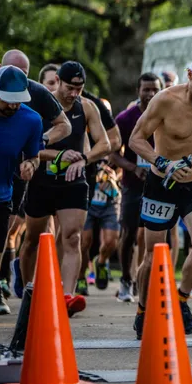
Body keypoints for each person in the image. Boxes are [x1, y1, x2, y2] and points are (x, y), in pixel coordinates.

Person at [129, 53, 192, 339]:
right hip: (161, 184)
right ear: (189, 75)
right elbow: (135, 140)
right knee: (154, 256)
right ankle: (142, 309)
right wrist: (162, 162)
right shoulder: (164, 100)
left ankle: (181, 301)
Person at [20, 61, 110, 317]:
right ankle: (30, 291)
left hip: (73, 182)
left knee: (72, 237)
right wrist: (57, 157)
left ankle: (67, 296)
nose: (74, 93)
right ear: (57, 81)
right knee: (32, 240)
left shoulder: (88, 107)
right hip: (41, 180)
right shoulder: (40, 103)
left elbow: (105, 143)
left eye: (79, 88)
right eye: (70, 87)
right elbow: (29, 146)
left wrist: (85, 158)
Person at [0, 51, 70, 299]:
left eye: (24, 75)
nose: (14, 103)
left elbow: (64, 126)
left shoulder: (35, 102)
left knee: (8, 227)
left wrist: (36, 147)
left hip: (14, 175)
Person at [0, 66, 42, 315]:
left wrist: (30, 165)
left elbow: (35, 156)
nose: (13, 106)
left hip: (2, 192)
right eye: (8, 101)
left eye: (18, 101)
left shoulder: (31, 120)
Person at [110, 73, 162, 302]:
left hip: (161, 184)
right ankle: (125, 280)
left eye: (155, 90)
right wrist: (132, 167)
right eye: (146, 90)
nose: (150, 94)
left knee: (159, 235)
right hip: (133, 184)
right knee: (129, 233)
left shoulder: (166, 115)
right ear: (138, 91)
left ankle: (154, 281)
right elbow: (111, 152)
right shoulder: (125, 118)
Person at [76, 83, 121, 295]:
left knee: (111, 242)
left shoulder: (114, 140)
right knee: (83, 241)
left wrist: (114, 176)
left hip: (109, 198)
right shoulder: (84, 135)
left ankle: (101, 261)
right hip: (88, 196)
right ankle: (81, 276)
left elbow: (121, 166)